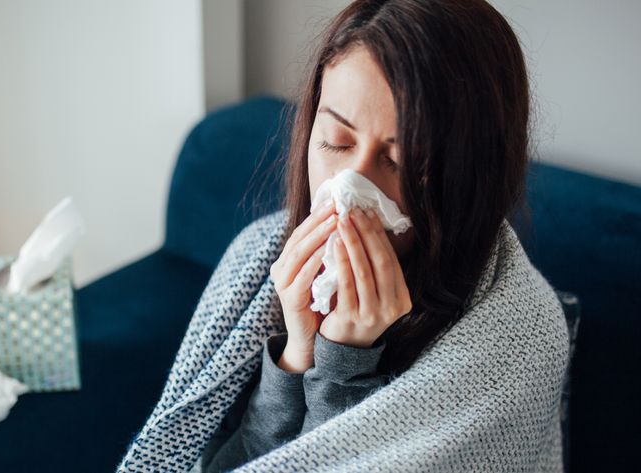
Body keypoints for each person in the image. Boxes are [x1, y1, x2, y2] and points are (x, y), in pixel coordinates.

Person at [118, 1, 570, 471]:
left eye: (401, 163)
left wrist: (343, 367)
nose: (350, 188)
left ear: (471, 176)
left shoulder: (521, 341)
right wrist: (297, 354)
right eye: (337, 140)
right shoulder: (260, 255)